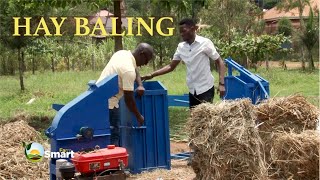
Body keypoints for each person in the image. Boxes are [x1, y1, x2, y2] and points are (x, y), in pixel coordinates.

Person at [142, 18, 226, 108]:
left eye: (184, 31)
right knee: (194, 119)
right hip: (192, 90)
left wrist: (221, 84)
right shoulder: (181, 47)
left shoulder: (204, 43)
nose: (182, 34)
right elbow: (171, 66)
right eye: (180, 32)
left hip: (205, 88)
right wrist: (151, 75)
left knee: (205, 118)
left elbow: (219, 62)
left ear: (193, 29)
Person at [96, 43, 154, 146]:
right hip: (109, 103)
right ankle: (112, 158)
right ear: (142, 54)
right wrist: (138, 116)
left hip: (97, 95)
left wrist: (140, 84)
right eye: (146, 60)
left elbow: (134, 68)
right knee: (114, 133)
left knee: (101, 130)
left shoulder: (122, 54)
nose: (145, 64)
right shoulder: (128, 71)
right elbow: (129, 99)